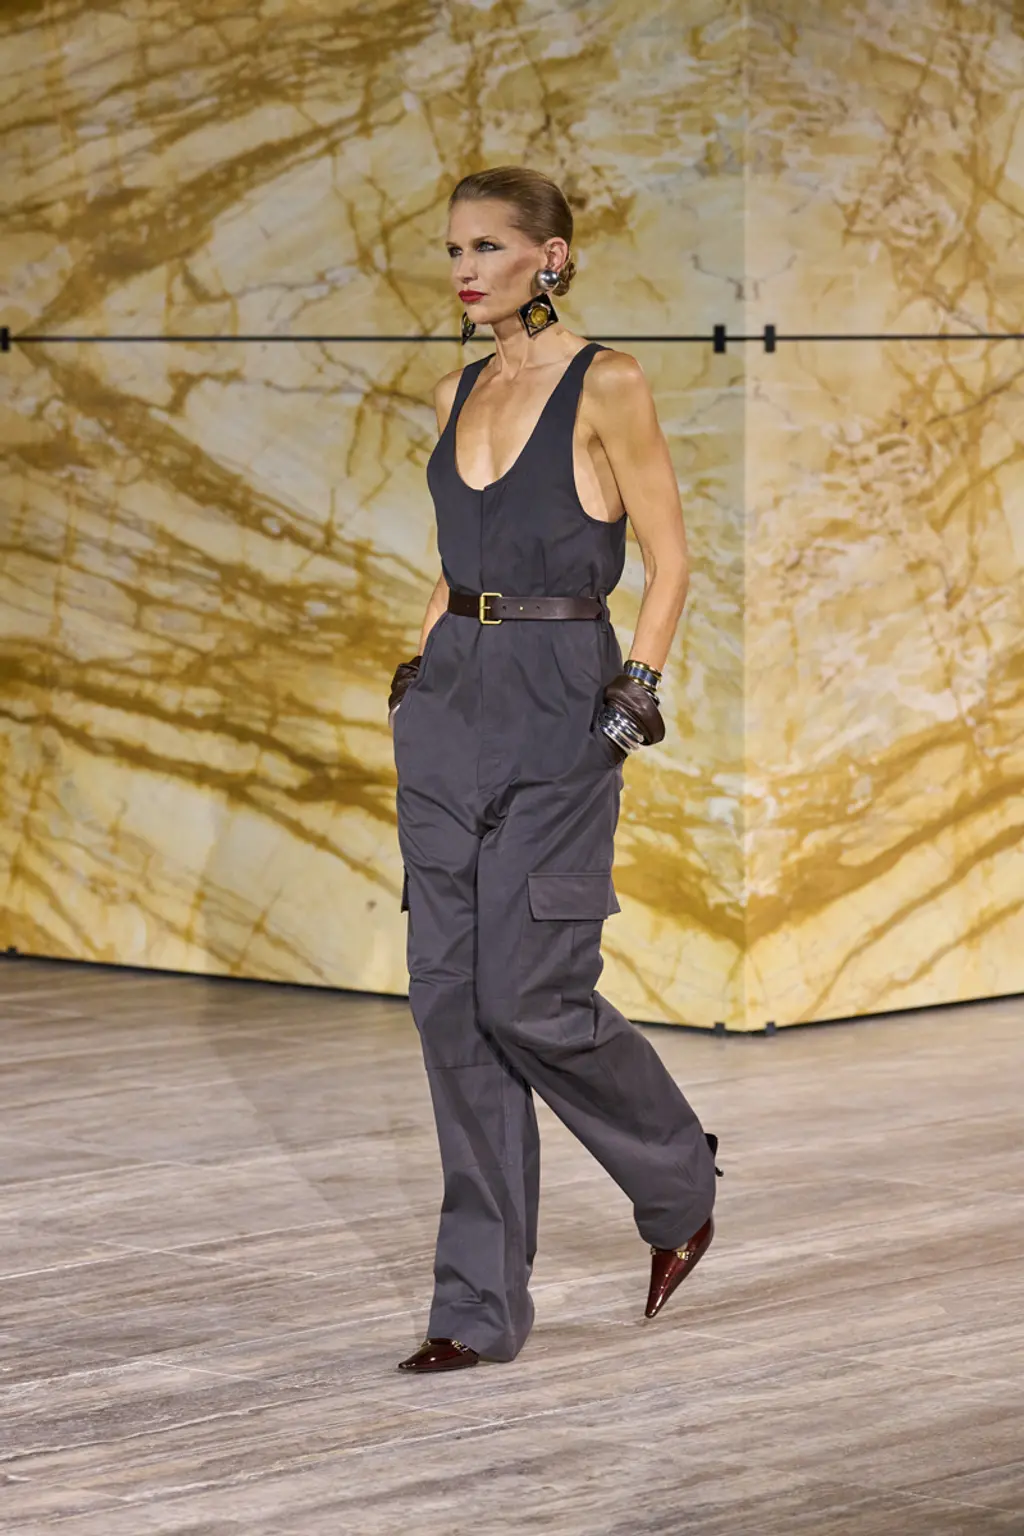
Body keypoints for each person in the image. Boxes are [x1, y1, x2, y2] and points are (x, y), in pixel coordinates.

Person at [388, 166, 719, 1374]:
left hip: (560, 698)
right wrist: (415, 669)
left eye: (488, 246)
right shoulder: (454, 388)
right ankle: (473, 1310)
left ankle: (678, 1179)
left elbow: (670, 560)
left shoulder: (607, 381)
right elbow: (455, 557)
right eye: (453, 249)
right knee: (448, 1002)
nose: (465, 269)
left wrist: (635, 693)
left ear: (551, 256)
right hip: (448, 704)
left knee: (526, 993)